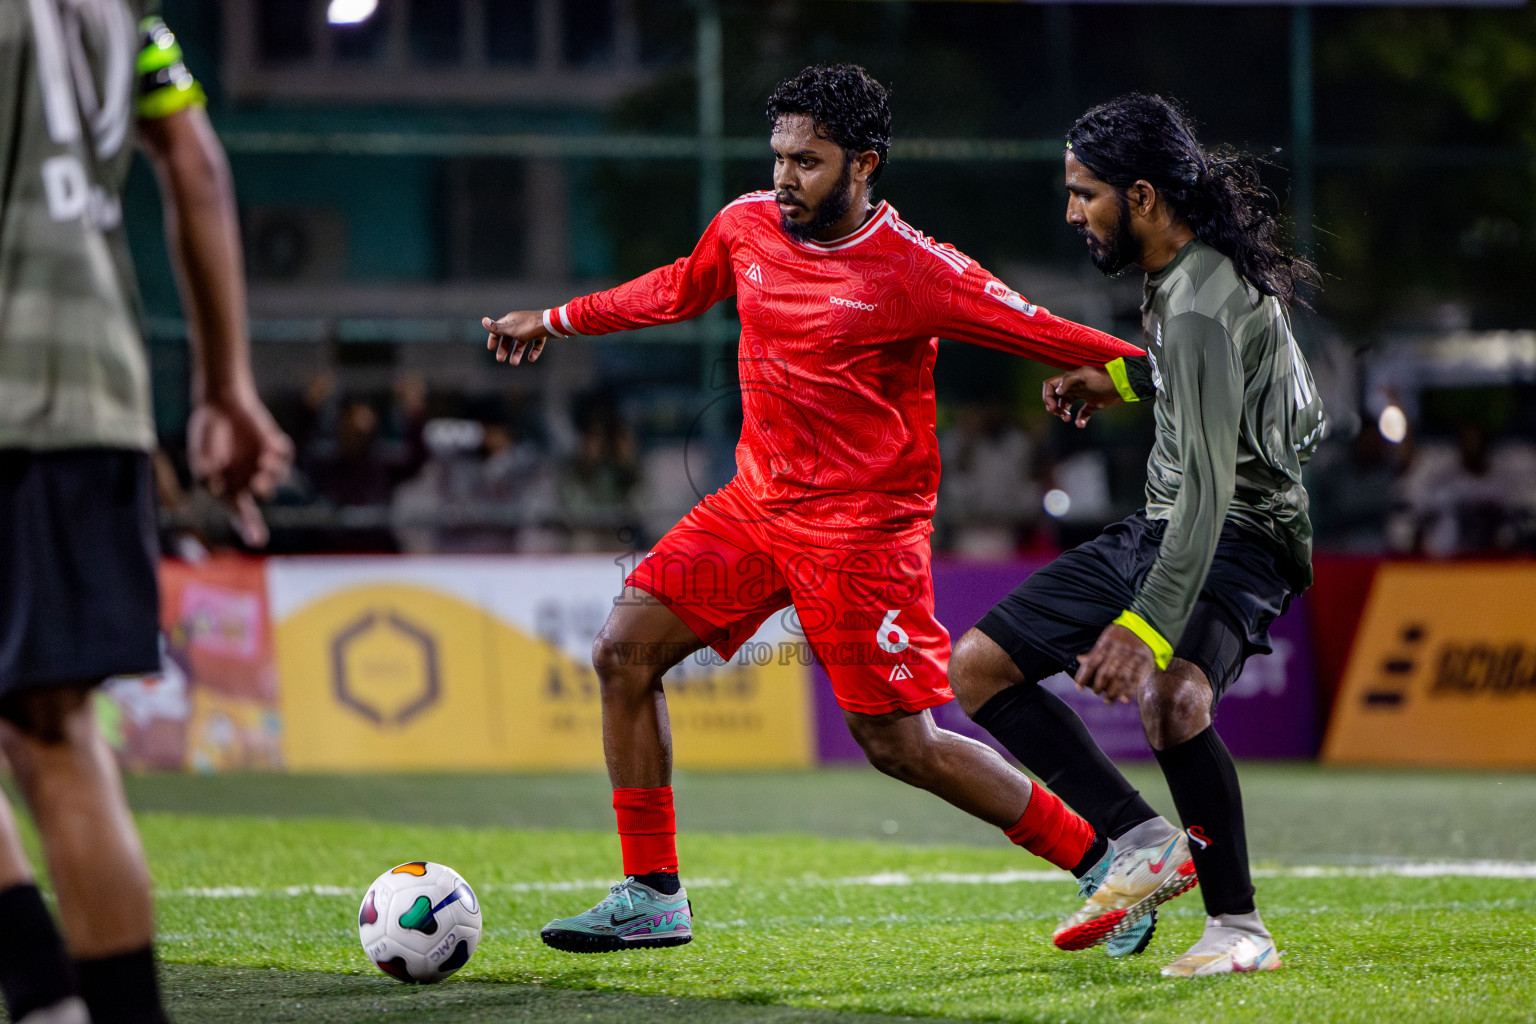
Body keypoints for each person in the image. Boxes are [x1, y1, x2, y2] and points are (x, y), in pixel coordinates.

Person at [483, 64, 1176, 956]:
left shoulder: (919, 271)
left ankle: (1101, 862)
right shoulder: (745, 226)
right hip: (754, 505)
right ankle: (653, 892)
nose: (783, 180)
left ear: (864, 165)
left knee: (899, 745)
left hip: (861, 532)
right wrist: (557, 318)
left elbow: (1063, 334)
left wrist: (1123, 377)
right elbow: (674, 289)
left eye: (806, 163)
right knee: (623, 654)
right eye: (777, 157)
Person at [950, 93, 1325, 976]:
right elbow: (1207, 382)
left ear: (1144, 196)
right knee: (977, 667)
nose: (1073, 211)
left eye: (1086, 194)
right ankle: (1142, 840)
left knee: (1173, 700)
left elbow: (1210, 485)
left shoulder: (1198, 299)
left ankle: (1240, 928)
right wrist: (1115, 383)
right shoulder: (1185, 277)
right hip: (1166, 523)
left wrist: (1145, 627)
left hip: (1243, 533)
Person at [0, 4, 291, 1022]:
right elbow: (197, 168)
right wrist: (225, 387)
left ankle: (39, 984)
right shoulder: (122, 9)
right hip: (92, 388)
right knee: (55, 730)